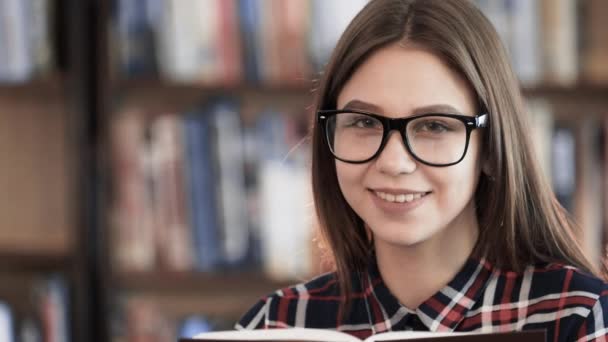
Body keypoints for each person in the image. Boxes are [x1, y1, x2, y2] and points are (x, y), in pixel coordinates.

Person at [236, 0, 608, 340]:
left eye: (434, 126)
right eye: (364, 122)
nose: (394, 163)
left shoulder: (578, 316)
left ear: (491, 149)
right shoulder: (275, 324)